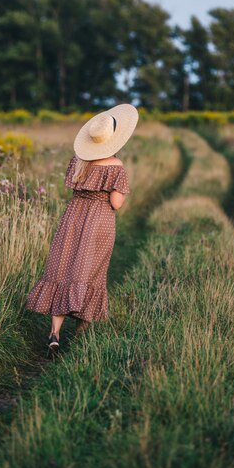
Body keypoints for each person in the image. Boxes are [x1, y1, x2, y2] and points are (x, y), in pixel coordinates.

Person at [26, 103, 139, 354]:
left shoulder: (79, 160)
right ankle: (79, 339)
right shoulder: (116, 167)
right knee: (91, 274)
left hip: (73, 217)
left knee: (62, 269)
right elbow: (116, 203)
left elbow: (72, 188)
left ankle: (54, 333)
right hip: (99, 221)